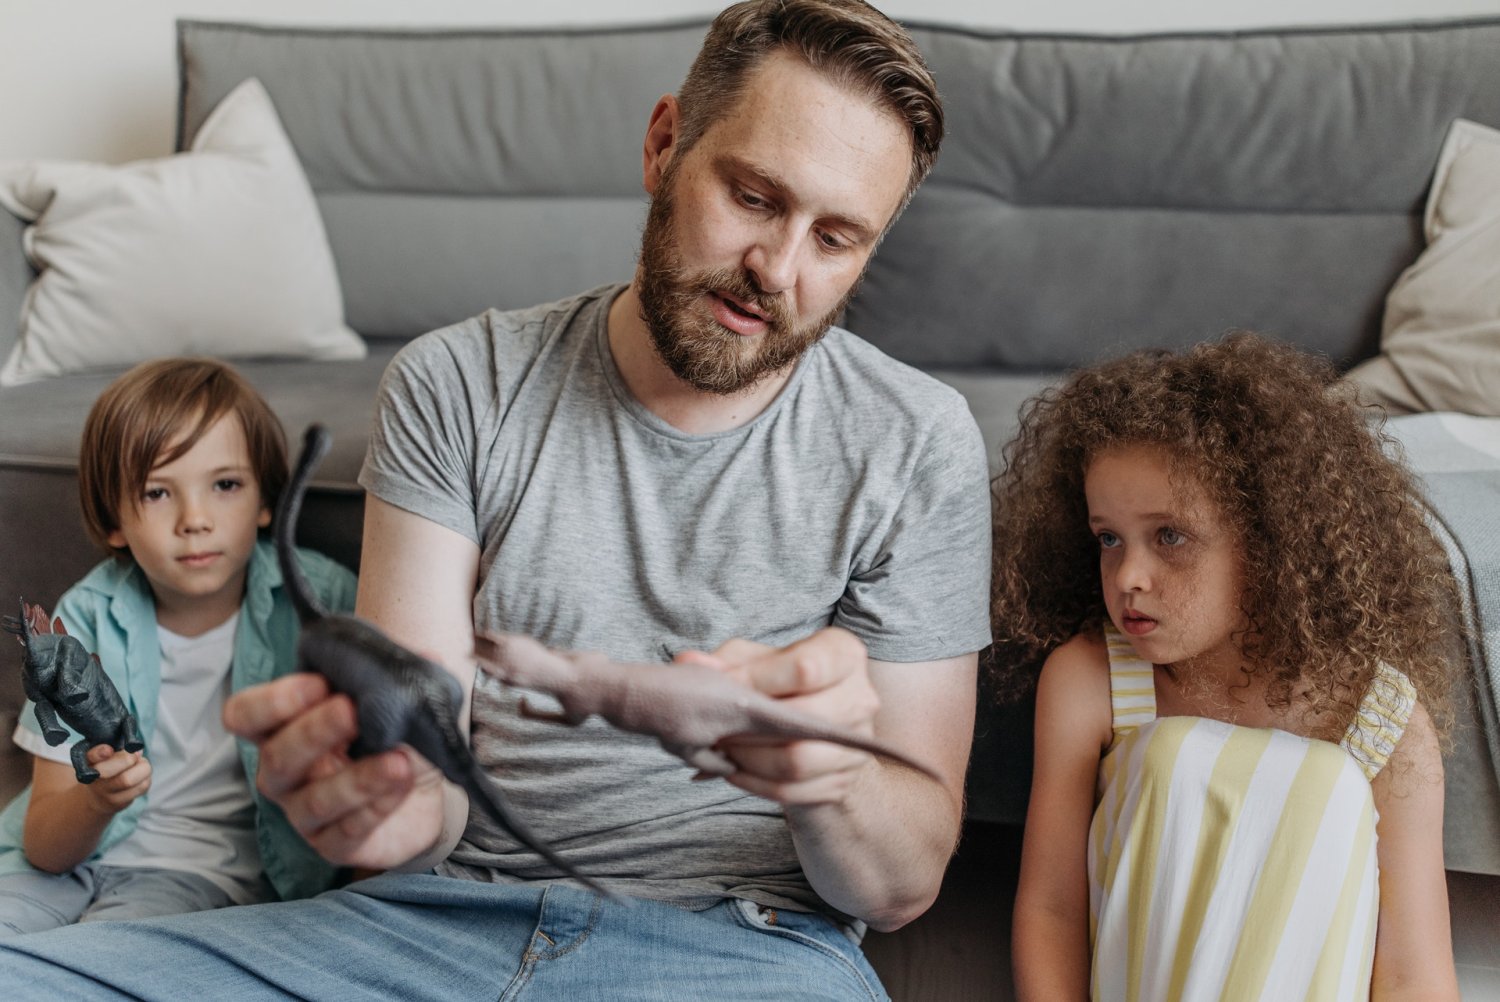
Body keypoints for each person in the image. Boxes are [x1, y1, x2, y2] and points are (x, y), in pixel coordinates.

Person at [0, 2, 991, 998]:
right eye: (754, 198)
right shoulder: (457, 383)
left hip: (745, 948)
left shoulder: (915, 443)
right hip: (426, 926)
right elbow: (425, 778)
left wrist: (834, 778)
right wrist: (377, 809)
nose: (776, 271)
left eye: (836, 238)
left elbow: (901, 883)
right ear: (664, 145)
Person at [993, 333, 1462, 1001]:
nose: (1128, 576)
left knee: (1327, 783)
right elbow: (1051, 911)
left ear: (1272, 543)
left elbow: (1416, 974)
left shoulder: (1384, 720)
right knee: (1173, 757)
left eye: (1170, 537)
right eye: (1108, 539)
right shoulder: (1090, 679)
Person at [0, 358, 357, 938]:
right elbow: (45, 846)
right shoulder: (84, 617)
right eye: (158, 492)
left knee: (102, 963)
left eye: (225, 485)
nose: (195, 520)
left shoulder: (324, 600)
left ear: (266, 501)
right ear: (114, 520)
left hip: (193, 876)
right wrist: (98, 802)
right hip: (58, 865)